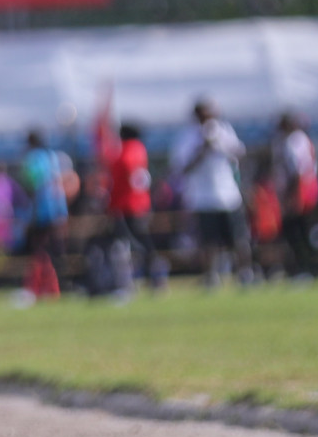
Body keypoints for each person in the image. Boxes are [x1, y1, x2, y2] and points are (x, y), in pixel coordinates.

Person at [171, 98, 250, 288]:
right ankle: (211, 276)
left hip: (228, 195)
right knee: (209, 242)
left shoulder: (224, 130)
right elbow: (181, 168)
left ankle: (245, 273)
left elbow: (239, 153)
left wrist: (220, 144)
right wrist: (202, 150)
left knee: (238, 238)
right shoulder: (187, 137)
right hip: (203, 197)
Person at [106, 122, 163, 296]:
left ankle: (129, 283)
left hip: (125, 205)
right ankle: (155, 277)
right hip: (140, 204)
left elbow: (118, 181)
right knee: (143, 242)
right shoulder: (140, 150)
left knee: (127, 245)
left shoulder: (124, 153)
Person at [273, 110, 318, 279]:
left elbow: (296, 171)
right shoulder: (298, 139)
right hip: (304, 186)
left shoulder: (293, 141)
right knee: (303, 228)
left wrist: (290, 195)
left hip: (300, 188)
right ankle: (311, 267)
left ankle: (306, 267)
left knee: (297, 230)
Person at [19, 131, 67, 299]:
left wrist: (29, 215)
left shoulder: (32, 158)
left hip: (41, 211)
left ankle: (39, 287)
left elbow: (32, 186)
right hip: (57, 209)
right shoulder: (53, 157)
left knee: (38, 250)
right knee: (55, 250)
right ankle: (59, 285)